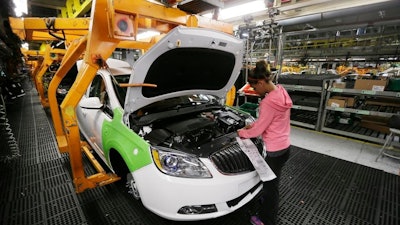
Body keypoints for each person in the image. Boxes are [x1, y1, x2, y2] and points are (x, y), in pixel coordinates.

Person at [237, 60, 293, 225]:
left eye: (255, 87)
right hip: (285, 147)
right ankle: (266, 206)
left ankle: (266, 220)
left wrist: (241, 132)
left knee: (270, 189)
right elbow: (269, 121)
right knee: (273, 183)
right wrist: (253, 125)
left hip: (274, 152)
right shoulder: (281, 92)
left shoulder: (268, 102)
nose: (255, 91)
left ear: (261, 82)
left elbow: (257, 131)